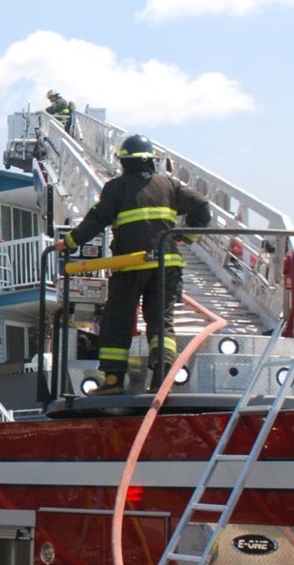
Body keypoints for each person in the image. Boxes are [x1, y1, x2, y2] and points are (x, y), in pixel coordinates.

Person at [57, 134, 212, 394]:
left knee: (117, 321)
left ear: (123, 162)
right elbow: (202, 205)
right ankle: (161, 375)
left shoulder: (116, 188)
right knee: (161, 321)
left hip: (129, 265)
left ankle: (114, 382)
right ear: (151, 161)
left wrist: (69, 242)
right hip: (167, 265)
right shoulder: (170, 185)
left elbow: (97, 219)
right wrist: (186, 236)